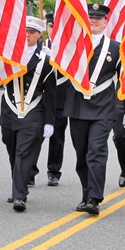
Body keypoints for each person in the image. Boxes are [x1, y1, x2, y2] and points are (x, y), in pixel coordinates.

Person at [64, 3, 125, 216]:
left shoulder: (115, 47)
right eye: (91, 17)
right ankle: (86, 194)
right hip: (78, 106)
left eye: (98, 18)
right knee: (82, 154)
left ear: (105, 22)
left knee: (96, 151)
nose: (94, 20)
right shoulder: (73, 45)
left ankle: (94, 198)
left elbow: (124, 80)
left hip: (103, 107)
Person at [0, 16, 56, 212]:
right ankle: (19, 184)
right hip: (9, 110)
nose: (27, 35)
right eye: (24, 31)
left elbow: (51, 93)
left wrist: (50, 121)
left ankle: (19, 195)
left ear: (39, 34)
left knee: (24, 153)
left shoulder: (46, 59)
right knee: (12, 149)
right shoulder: (8, 55)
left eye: (32, 32)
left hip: (33, 111)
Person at [43, 13, 69, 187]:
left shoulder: (69, 48)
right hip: (39, 98)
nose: (53, 30)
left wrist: (56, 58)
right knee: (33, 135)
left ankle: (54, 171)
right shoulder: (38, 45)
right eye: (51, 26)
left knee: (57, 135)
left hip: (61, 95)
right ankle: (29, 170)